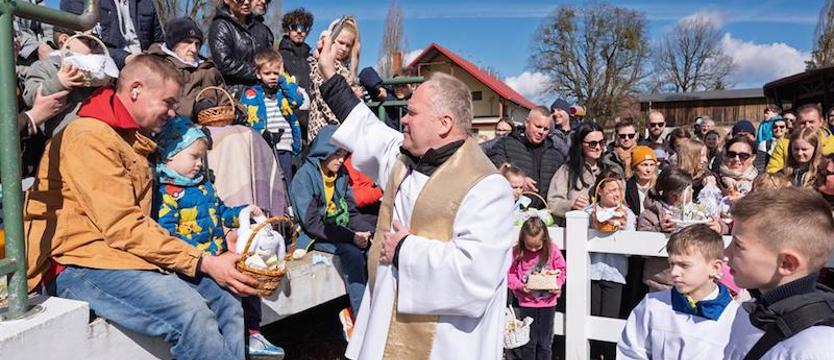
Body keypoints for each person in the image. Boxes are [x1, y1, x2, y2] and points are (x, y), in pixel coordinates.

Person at [24, 55, 260, 359]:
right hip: (75, 261)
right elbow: (125, 227)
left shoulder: (134, 139)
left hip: (121, 256)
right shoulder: (90, 136)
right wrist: (204, 261)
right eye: (168, 101)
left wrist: (217, 236)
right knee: (190, 314)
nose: (172, 111)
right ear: (136, 89)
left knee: (225, 297)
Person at [316, 35, 515, 358]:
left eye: (412, 113)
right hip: (386, 326)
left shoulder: (487, 188)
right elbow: (364, 126)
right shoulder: (404, 160)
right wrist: (328, 70)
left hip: (447, 344)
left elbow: (476, 276)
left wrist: (406, 249)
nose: (403, 119)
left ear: (444, 123)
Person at [150, 116, 285, 358]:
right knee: (229, 303)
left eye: (201, 158)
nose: (199, 164)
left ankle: (245, 342)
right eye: (194, 157)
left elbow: (220, 211)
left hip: (214, 260)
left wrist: (243, 212)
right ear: (171, 154)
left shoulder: (204, 186)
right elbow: (167, 236)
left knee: (241, 292)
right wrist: (200, 257)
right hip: (190, 267)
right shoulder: (166, 193)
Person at [723, 188, 834, 360]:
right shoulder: (750, 312)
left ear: (786, 263)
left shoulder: (814, 347)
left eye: (738, 245)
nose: (726, 252)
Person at [289, 125, 375, 337]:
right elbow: (312, 223)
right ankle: (363, 322)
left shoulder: (341, 173)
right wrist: (352, 237)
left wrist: (371, 233)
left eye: (343, 155)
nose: (340, 160)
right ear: (323, 151)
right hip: (313, 236)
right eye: (336, 154)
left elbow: (351, 211)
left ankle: (371, 309)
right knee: (353, 253)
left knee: (375, 248)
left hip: (339, 228)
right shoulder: (305, 177)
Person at [617, 225, 739, 360]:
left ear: (714, 268)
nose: (674, 273)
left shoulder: (734, 317)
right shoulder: (653, 305)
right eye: (671, 264)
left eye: (684, 265)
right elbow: (632, 352)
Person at [22, 27, 108, 137]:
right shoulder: (44, 67)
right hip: (66, 136)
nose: (97, 49)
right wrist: (59, 83)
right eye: (91, 42)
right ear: (65, 41)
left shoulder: (98, 70)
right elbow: (30, 97)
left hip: (101, 130)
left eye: (98, 44)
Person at [240, 49, 305, 183]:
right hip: (263, 146)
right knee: (266, 182)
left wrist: (283, 79)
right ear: (258, 74)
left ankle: (287, 204)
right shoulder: (251, 94)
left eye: (276, 73)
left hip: (284, 146)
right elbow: (247, 119)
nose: (272, 76)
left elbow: (298, 100)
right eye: (267, 73)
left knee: (285, 182)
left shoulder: (284, 91)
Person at [507, 217, 567, 360]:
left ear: (544, 240)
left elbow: (562, 270)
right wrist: (521, 286)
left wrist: (556, 284)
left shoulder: (552, 250)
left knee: (545, 342)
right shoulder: (517, 252)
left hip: (548, 303)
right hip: (527, 302)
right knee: (529, 341)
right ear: (523, 240)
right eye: (529, 246)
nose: (533, 249)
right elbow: (510, 274)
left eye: (537, 246)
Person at [147, 17, 224, 119]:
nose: (194, 49)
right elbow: (160, 99)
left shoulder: (208, 69)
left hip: (215, 122)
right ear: (173, 44)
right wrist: (193, 107)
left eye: (197, 44)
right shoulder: (159, 66)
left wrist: (236, 110)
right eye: (188, 42)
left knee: (246, 133)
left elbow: (224, 95)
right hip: (174, 124)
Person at [490, 106, 566, 202]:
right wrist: (518, 180)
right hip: (513, 209)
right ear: (526, 123)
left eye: (546, 129)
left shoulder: (555, 155)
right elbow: (493, 170)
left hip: (544, 213)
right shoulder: (505, 145)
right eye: (538, 126)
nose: (541, 132)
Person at [60, 0, 162, 69]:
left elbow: (159, 41)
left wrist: (153, 58)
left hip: (145, 65)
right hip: (104, 70)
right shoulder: (79, 3)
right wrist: (124, 59)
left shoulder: (146, 3)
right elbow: (82, 46)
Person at [307, 16, 361, 141]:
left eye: (348, 45)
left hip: (340, 130)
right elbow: (324, 98)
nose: (344, 49)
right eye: (341, 43)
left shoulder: (345, 69)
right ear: (331, 40)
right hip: (324, 130)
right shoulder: (321, 62)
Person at [548, 121, 605, 224]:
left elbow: (621, 203)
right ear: (580, 144)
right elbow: (552, 202)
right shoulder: (567, 170)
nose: (598, 147)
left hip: (605, 233)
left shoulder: (610, 170)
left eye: (601, 142)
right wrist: (571, 204)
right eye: (593, 144)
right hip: (575, 230)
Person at [208, 0, 269, 89]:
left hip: (262, 90)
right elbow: (224, 63)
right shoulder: (221, 25)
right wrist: (258, 71)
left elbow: (269, 56)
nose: (247, 2)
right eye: (240, 0)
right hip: (234, 91)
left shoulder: (260, 28)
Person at [279, 8, 314, 140]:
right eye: (294, 27)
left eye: (303, 27)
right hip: (288, 118)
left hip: (310, 120)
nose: (299, 31)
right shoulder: (279, 57)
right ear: (287, 29)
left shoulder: (311, 59)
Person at [767, 103, 834, 173]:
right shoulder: (784, 143)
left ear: (821, 122)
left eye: (811, 122)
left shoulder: (831, 143)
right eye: (803, 123)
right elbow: (772, 171)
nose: (807, 126)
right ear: (797, 123)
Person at [625, 146, 657, 216]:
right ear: (635, 167)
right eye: (644, 165)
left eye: (652, 165)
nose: (648, 170)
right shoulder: (626, 188)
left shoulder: (659, 188)